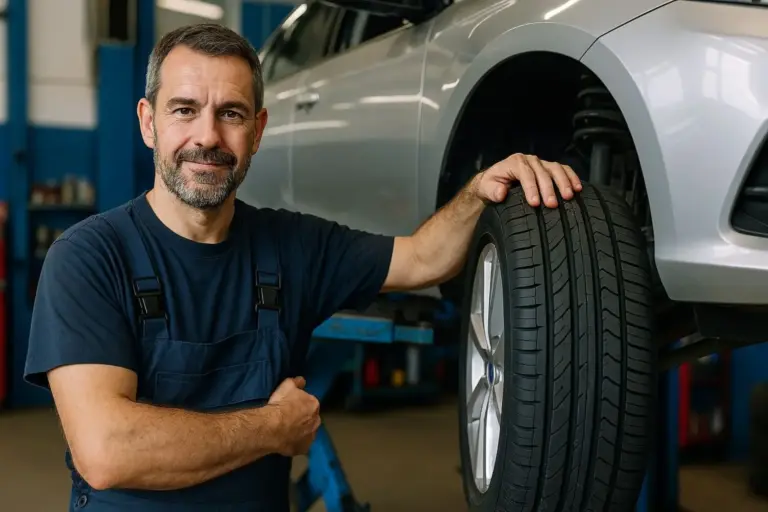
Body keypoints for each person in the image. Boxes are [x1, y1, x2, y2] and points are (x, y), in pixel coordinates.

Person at [23, 23, 582, 512]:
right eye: (184, 110)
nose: (208, 137)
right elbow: (106, 452)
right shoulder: (90, 258)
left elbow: (421, 258)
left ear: (258, 131)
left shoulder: (291, 245)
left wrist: (480, 191)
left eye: (231, 114)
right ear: (148, 123)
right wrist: (273, 427)